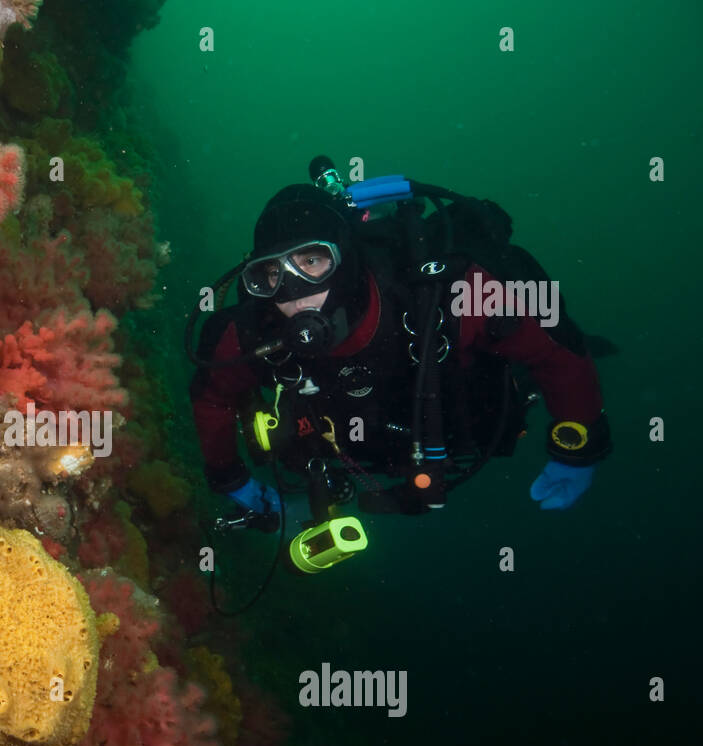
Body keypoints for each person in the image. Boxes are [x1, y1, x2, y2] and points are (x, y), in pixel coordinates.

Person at [189, 172, 611, 543]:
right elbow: (212, 395)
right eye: (271, 274)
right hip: (354, 443)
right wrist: (230, 477)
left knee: (524, 366)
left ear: (347, 257)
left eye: (312, 260)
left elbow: (556, 354)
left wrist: (579, 447)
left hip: (460, 400)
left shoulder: (453, 292)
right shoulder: (251, 332)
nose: (294, 292)